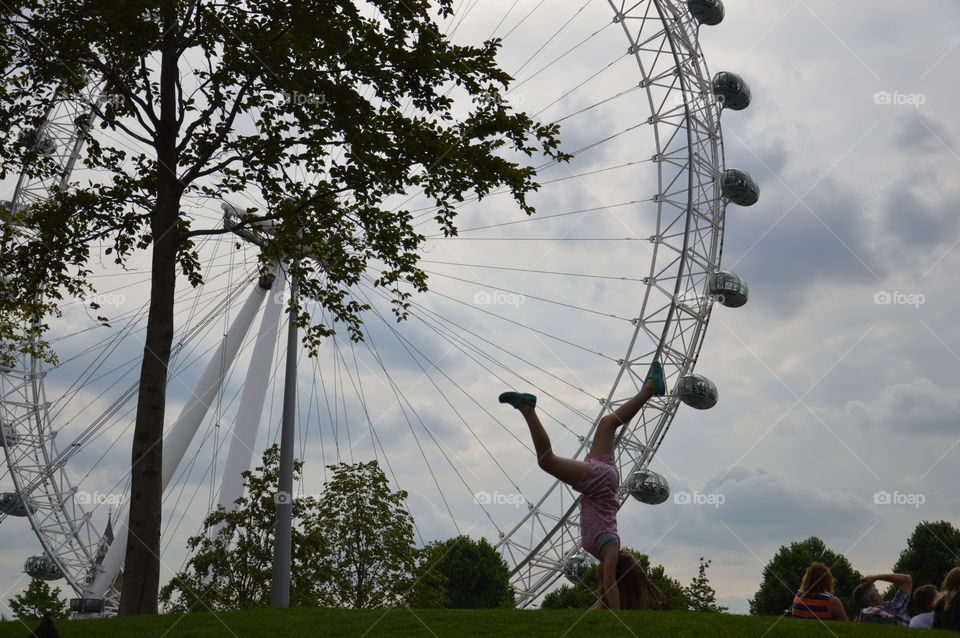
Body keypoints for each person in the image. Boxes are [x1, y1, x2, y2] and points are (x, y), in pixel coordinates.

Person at [499, 361, 667, 610]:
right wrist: (618, 617)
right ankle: (527, 408)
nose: (599, 574)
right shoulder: (610, 547)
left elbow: (605, 591)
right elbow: (610, 582)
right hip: (600, 484)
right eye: (607, 573)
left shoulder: (601, 548)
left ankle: (650, 388)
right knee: (547, 461)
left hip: (603, 481)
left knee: (608, 423)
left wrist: (602, 609)